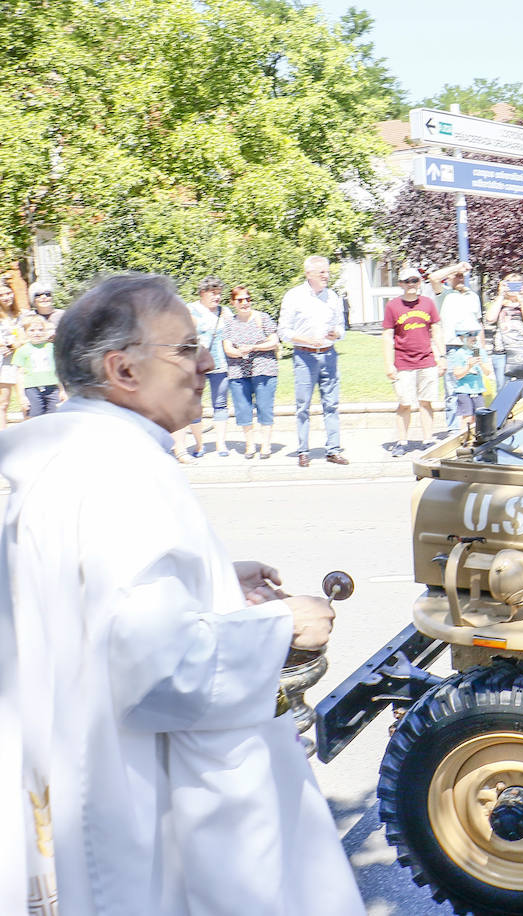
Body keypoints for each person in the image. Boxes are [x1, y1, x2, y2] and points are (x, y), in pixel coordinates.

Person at [0, 272, 364, 916]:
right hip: (130, 804)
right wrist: (282, 626)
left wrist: (214, 576)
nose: (206, 363)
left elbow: (79, 598)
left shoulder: (50, 453)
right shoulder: (123, 471)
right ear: (123, 369)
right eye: (186, 347)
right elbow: (155, 665)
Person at [278, 255, 348, 467]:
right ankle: (303, 451)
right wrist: (307, 339)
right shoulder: (294, 297)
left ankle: (333, 450)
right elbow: (283, 331)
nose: (326, 276)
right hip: (305, 356)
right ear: (309, 274)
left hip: (329, 354)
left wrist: (336, 333)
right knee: (303, 406)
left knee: (331, 404)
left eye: (327, 272)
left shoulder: (333, 297)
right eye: (322, 272)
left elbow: (341, 327)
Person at [383, 266, 444, 456]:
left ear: (420, 283)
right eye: (407, 281)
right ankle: (402, 441)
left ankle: (427, 440)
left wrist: (441, 356)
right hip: (403, 362)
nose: (411, 285)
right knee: (405, 403)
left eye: (415, 281)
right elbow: (387, 336)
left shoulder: (428, 303)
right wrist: (389, 363)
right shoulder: (393, 306)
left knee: (426, 402)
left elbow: (436, 330)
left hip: (426, 360)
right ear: (401, 284)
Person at [222, 285, 280, 459]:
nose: (245, 303)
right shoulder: (229, 323)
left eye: (248, 299)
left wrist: (253, 347)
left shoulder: (262, 318)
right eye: (240, 300)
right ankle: (250, 446)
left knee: (265, 407)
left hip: (264, 369)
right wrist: (241, 352)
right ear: (233, 303)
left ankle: (266, 446)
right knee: (243, 409)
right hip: (238, 372)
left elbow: (274, 342)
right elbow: (227, 348)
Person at [431, 262, 484, 433]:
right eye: (456, 275)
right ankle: (453, 430)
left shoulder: (472, 296)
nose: (460, 277)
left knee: (474, 387)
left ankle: (474, 428)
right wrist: (456, 267)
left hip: (472, 346)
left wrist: (480, 351)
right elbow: (433, 278)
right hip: (453, 347)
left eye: (462, 275)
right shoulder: (444, 294)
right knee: (453, 389)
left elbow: (478, 324)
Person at [185, 276, 229, 457]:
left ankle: (221, 445)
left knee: (220, 404)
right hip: (197, 367)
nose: (217, 297)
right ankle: (199, 445)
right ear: (203, 293)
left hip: (220, 365)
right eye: (213, 293)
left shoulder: (225, 312)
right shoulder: (191, 310)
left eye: (219, 293)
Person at [487, 274, 523, 390]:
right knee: (502, 388)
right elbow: (490, 318)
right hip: (502, 352)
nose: (513, 287)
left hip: (522, 351)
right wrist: (500, 296)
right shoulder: (499, 303)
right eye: (510, 283)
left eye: (517, 284)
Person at [14, 316, 62, 417]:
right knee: (35, 416)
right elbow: (19, 375)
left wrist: (62, 390)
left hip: (52, 387)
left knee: (55, 415)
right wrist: (22, 396)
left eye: (40, 330)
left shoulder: (52, 348)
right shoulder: (22, 351)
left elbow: (59, 370)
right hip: (32, 389)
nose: (37, 333)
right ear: (26, 332)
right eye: (32, 330)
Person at [446, 330, 486, 439]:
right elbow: (457, 374)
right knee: (467, 418)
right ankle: (464, 439)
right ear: (462, 338)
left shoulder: (479, 351)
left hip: (478, 390)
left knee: (479, 417)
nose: (473, 337)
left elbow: (488, 372)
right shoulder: (459, 354)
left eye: (475, 335)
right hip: (464, 391)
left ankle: (478, 439)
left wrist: (481, 363)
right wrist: (468, 366)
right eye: (469, 335)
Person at [0, 281, 22, 428]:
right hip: (5, 363)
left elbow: (27, 336)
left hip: (22, 362)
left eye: (8, 293)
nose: (6, 297)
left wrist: (14, 345)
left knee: (26, 401)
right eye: (1, 295)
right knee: (4, 402)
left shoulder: (21, 315)